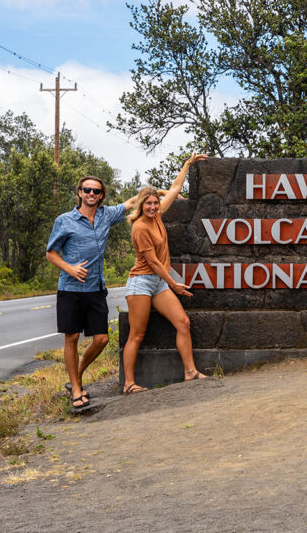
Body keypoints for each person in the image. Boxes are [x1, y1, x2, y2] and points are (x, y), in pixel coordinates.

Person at [46, 177, 139, 411]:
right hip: (70, 289)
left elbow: (132, 201)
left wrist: (161, 191)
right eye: (87, 190)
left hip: (96, 288)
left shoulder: (106, 215)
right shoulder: (64, 221)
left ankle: (75, 376)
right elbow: (51, 253)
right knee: (72, 338)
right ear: (79, 192)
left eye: (96, 191)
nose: (91, 193)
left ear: (101, 196)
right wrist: (70, 268)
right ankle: (76, 389)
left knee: (102, 339)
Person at [120, 153, 208, 394]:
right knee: (137, 334)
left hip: (158, 283)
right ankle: (129, 384)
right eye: (147, 204)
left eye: (155, 203)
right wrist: (174, 284)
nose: (152, 207)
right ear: (140, 206)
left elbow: (175, 187)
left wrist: (188, 164)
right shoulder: (139, 227)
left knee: (183, 322)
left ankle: (190, 372)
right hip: (141, 283)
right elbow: (154, 263)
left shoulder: (158, 216)